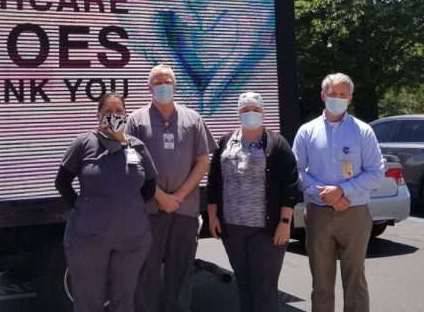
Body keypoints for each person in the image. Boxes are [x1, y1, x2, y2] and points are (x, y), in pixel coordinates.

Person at [125, 64, 218, 312]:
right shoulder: (135, 120)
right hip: (148, 210)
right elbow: (132, 164)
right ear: (149, 87)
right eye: (158, 82)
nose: (163, 86)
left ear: (175, 86)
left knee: (181, 272)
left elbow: (203, 161)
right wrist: (160, 196)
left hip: (184, 209)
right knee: (146, 273)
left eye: (167, 82)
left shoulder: (193, 118)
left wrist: (176, 196)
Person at [55, 92, 158, 312]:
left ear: (126, 114)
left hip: (132, 241)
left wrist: (128, 207)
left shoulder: (137, 146)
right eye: (107, 112)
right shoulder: (83, 143)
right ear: (98, 115)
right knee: (88, 301)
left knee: (124, 299)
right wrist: (84, 208)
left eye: (118, 111)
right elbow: (62, 182)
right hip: (88, 240)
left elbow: (149, 186)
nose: (113, 116)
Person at [292, 73, 385, 312]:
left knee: (355, 282)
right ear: (323, 96)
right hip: (319, 214)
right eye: (333, 94)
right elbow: (297, 172)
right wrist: (325, 194)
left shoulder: (362, 131)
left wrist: (343, 191)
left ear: (350, 98)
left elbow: (376, 172)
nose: (337, 98)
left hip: (354, 214)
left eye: (343, 95)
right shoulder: (306, 131)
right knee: (321, 284)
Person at [206, 92, 300, 312]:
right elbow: (214, 181)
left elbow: (291, 185)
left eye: (256, 110)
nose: (251, 114)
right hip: (233, 228)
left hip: (266, 229)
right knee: (244, 284)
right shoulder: (226, 141)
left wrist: (285, 222)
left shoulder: (277, 143)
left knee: (265, 287)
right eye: (246, 110)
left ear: (263, 112)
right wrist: (212, 216)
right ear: (238, 113)